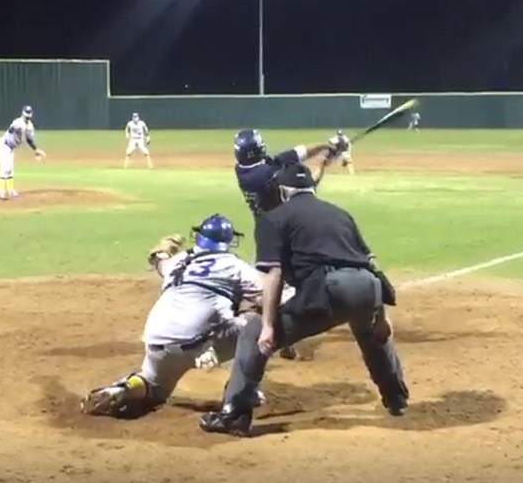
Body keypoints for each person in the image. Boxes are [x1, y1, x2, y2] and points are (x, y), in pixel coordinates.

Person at [199, 162, 408, 436]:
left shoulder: (273, 218)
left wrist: (269, 326)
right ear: (311, 188)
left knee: (252, 332)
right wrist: (380, 316)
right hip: (368, 288)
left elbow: (273, 275)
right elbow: (369, 264)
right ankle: (396, 399)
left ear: (284, 191)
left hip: (330, 288)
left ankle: (234, 415)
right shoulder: (340, 213)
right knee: (372, 333)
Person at [81, 214, 266, 419]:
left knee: (153, 386)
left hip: (157, 341)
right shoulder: (235, 266)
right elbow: (271, 296)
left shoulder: (178, 261)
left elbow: (159, 260)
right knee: (257, 325)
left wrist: (160, 253)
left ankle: (122, 389)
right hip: (200, 345)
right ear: (229, 241)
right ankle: (244, 392)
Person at [232, 129, 341, 360]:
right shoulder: (263, 176)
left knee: (268, 284)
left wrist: (326, 145)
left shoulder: (247, 169)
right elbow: (306, 186)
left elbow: (297, 153)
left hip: (266, 232)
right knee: (291, 289)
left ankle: (267, 329)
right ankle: (277, 335)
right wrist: (323, 161)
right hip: (285, 233)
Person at [0, 105, 46, 200]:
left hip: (10, 147)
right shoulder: (17, 122)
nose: (27, 116)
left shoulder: (30, 126)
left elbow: (29, 140)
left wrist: (36, 150)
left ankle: (10, 190)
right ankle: (0, 190)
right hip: (4, 145)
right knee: (5, 168)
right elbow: (10, 132)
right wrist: (17, 130)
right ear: (23, 113)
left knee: (10, 169)